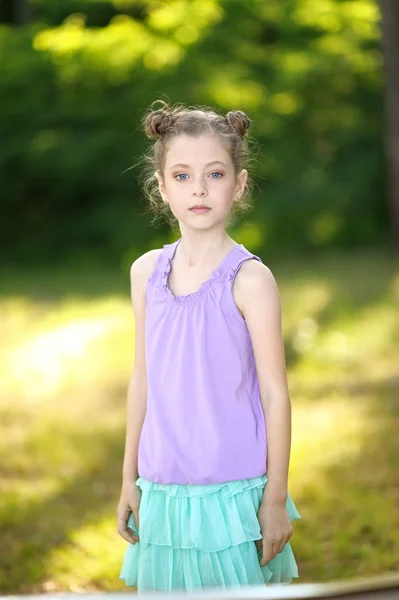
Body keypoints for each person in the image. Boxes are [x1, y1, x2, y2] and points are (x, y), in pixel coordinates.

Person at [117, 99, 301, 592]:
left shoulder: (250, 280)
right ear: (161, 187)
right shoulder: (146, 273)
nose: (198, 188)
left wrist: (276, 497)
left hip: (231, 492)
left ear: (238, 185)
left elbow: (275, 395)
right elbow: (143, 377)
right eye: (181, 175)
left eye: (215, 174)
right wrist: (128, 478)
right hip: (163, 488)